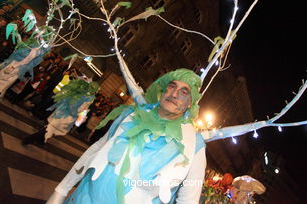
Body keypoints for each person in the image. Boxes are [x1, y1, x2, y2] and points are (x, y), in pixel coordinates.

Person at [47, 69, 206, 204]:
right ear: (163, 90)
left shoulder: (193, 143)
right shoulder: (131, 114)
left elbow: (188, 199)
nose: (174, 94)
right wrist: (61, 190)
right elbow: (96, 149)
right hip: (85, 198)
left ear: (189, 105)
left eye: (184, 92)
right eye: (171, 86)